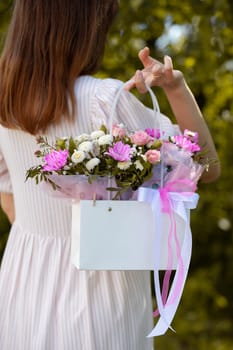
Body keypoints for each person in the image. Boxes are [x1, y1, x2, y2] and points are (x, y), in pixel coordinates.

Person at [0, 1, 220, 349]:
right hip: (98, 289)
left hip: (22, 281)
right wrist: (176, 87)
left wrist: (46, 242)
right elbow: (205, 165)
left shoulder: (6, 99)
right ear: (86, 26)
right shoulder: (101, 98)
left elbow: (7, 190)